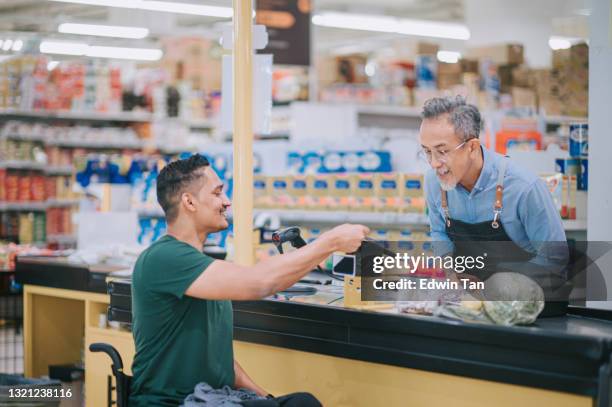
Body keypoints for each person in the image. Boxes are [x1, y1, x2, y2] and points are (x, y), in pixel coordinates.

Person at [129, 154, 369, 406]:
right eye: (218, 193)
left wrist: (268, 398)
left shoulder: (200, 267)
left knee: (300, 402)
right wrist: (330, 242)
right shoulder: (164, 257)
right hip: (171, 403)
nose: (226, 201)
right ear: (189, 201)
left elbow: (219, 364)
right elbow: (261, 282)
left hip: (212, 398)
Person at [419, 96, 568, 291]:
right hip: (470, 305)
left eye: (442, 151)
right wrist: (448, 272)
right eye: (427, 152)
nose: (433, 163)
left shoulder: (524, 188)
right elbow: (439, 232)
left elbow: (555, 258)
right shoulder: (434, 181)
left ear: (472, 147)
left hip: (527, 305)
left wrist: (495, 286)